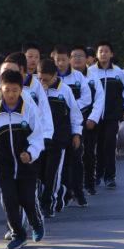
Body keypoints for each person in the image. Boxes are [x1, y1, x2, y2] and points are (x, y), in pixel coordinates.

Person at [0, 69, 46, 249]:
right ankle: (18, 234)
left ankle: (36, 222)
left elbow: (38, 137)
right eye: (7, 90)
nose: (11, 94)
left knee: (26, 199)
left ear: (22, 89)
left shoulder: (30, 110)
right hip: (4, 166)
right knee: (9, 200)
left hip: (28, 167)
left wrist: (30, 154)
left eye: (15, 90)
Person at [37, 59, 83, 216]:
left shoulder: (64, 90)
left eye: (46, 79)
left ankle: (48, 203)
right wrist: (40, 93)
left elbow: (75, 114)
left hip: (59, 139)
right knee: (40, 173)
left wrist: (76, 133)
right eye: (39, 78)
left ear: (55, 75)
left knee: (52, 173)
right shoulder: (34, 90)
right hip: (39, 140)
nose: (42, 82)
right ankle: (52, 195)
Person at [53, 45, 92, 208]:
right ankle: (65, 192)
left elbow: (87, 97)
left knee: (76, 158)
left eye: (63, 60)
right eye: (58, 60)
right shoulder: (51, 77)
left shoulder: (78, 76)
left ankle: (79, 192)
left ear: (69, 59)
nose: (61, 63)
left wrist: (71, 105)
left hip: (76, 123)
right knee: (62, 160)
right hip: (57, 125)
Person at [90, 41, 124, 189]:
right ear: (96, 54)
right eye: (101, 51)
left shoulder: (119, 72)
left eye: (106, 51)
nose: (103, 54)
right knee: (97, 145)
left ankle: (110, 176)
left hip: (113, 114)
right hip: (95, 115)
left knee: (110, 144)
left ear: (111, 54)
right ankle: (97, 174)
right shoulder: (91, 72)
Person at [70, 45, 104, 196]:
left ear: (87, 59)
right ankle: (71, 186)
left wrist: (93, 118)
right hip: (68, 122)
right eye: (74, 56)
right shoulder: (62, 78)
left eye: (80, 56)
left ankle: (90, 183)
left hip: (88, 121)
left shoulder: (93, 77)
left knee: (89, 153)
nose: (77, 59)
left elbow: (99, 99)